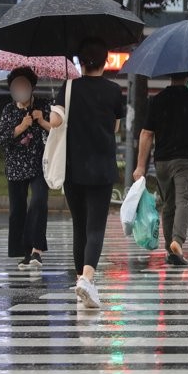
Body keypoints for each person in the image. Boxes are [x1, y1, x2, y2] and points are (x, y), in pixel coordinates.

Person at [50, 38, 125, 308]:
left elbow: (57, 120)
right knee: (96, 227)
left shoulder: (68, 87)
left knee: (79, 226)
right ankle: (87, 279)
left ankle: (82, 278)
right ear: (105, 62)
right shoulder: (115, 91)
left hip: (73, 168)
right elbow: (116, 127)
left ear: (80, 63)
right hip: (102, 167)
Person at [133, 72, 188, 266]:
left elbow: (146, 133)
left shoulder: (157, 100)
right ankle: (177, 241)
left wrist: (140, 166)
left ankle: (170, 251)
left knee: (169, 205)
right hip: (186, 161)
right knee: (184, 202)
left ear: (170, 75)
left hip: (162, 162)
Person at [0, 67, 52, 269]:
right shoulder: (9, 110)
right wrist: (22, 126)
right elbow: (2, 138)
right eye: (16, 85)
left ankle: (37, 250)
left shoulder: (44, 105)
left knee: (39, 202)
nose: (20, 88)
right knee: (17, 210)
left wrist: (41, 120)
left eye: (24, 84)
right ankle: (24, 252)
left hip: (40, 163)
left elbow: (57, 131)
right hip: (15, 166)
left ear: (31, 87)